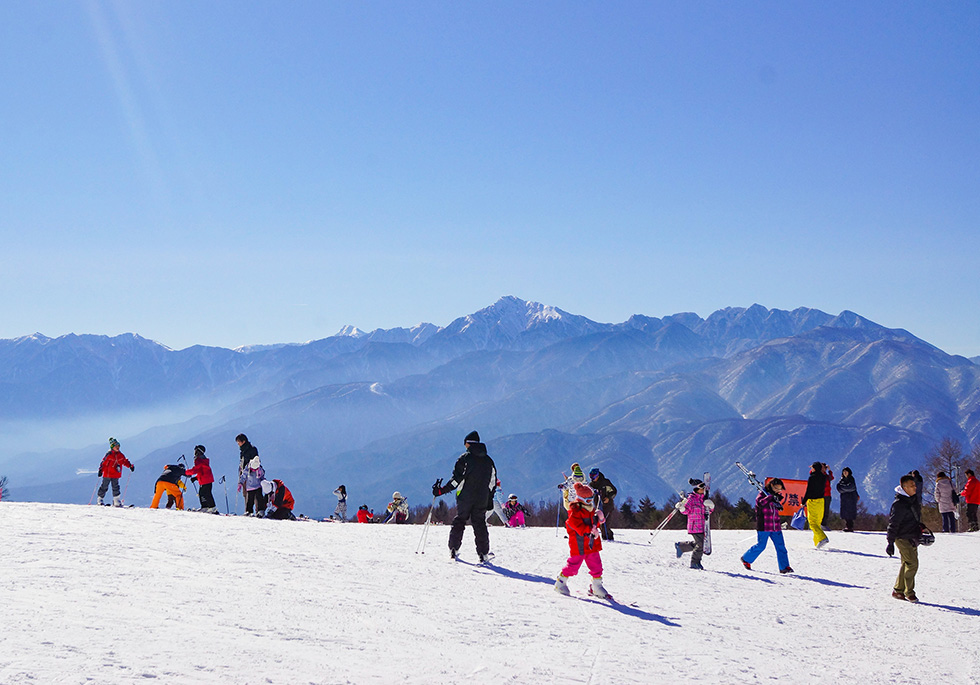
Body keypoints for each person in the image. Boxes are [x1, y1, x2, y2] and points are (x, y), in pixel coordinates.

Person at [432, 430, 497, 562]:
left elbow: (456, 480)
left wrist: (441, 491)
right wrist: (489, 497)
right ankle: (483, 553)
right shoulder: (489, 461)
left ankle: (453, 549)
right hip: (482, 497)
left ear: (468, 444)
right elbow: (493, 482)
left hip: (465, 496)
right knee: (479, 523)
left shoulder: (465, 459)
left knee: (460, 520)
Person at [554, 482, 610, 599]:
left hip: (591, 544)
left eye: (591, 499)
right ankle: (561, 582)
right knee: (573, 565)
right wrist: (589, 530)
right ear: (580, 499)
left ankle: (596, 586)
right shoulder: (575, 511)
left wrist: (600, 519)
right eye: (587, 500)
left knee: (596, 565)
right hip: (579, 544)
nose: (590, 502)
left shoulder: (590, 510)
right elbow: (575, 525)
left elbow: (594, 524)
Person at [740, 478, 793, 573]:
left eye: (780, 489)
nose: (778, 490)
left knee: (781, 546)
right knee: (761, 545)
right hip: (764, 525)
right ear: (771, 486)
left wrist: (776, 501)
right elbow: (760, 503)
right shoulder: (762, 495)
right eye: (776, 488)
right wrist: (770, 498)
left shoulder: (775, 497)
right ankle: (746, 558)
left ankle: (784, 567)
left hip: (775, 526)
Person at [886, 473, 923, 602]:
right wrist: (890, 542)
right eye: (912, 485)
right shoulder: (899, 504)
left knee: (906, 563)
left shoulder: (912, 500)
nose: (915, 488)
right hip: (901, 537)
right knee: (912, 564)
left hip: (912, 537)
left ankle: (898, 590)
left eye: (915, 485)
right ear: (905, 487)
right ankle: (909, 592)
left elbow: (912, 518)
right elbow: (893, 523)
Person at [674, 478, 713, 570]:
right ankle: (695, 563)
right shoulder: (692, 499)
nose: (703, 489)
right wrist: (682, 508)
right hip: (694, 525)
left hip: (703, 525)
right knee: (700, 545)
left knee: (699, 543)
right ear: (696, 488)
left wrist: (711, 507)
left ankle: (681, 546)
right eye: (701, 487)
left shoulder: (704, 499)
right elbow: (686, 511)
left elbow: (707, 512)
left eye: (704, 487)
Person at [97, 438, 134, 507]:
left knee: (116, 487)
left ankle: (116, 500)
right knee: (104, 486)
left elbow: (124, 461)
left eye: (118, 446)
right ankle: (100, 499)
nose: (118, 448)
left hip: (116, 474)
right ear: (112, 447)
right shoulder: (109, 455)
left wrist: (130, 466)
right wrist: (101, 470)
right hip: (107, 474)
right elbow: (103, 463)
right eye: (116, 446)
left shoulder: (120, 455)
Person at [801, 461, 830, 548]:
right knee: (817, 522)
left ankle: (822, 538)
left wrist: (803, 501)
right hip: (821, 501)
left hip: (812, 501)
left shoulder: (812, 478)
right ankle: (817, 542)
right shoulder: (824, 477)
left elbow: (809, 490)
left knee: (812, 523)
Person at [184, 445, 217, 513]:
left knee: (205, 493)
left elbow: (195, 470)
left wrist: (186, 472)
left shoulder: (199, 459)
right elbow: (202, 471)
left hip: (205, 480)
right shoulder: (203, 459)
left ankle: (211, 507)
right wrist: (196, 478)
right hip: (207, 479)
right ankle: (206, 507)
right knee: (203, 493)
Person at [589, 468, 618, 541]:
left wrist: (608, 497)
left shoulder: (605, 482)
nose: (592, 478)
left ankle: (609, 537)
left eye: (594, 476)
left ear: (598, 476)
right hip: (598, 506)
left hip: (607, 506)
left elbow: (614, 491)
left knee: (606, 523)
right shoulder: (591, 485)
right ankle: (605, 538)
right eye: (591, 476)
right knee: (600, 524)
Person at [836, 467, 859, 532]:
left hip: (851, 498)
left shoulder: (851, 479)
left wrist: (843, 488)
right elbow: (838, 488)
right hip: (844, 499)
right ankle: (847, 526)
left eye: (846, 471)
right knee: (845, 512)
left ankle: (850, 527)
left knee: (850, 512)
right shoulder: (841, 480)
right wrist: (845, 489)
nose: (845, 473)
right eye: (844, 472)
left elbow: (851, 487)